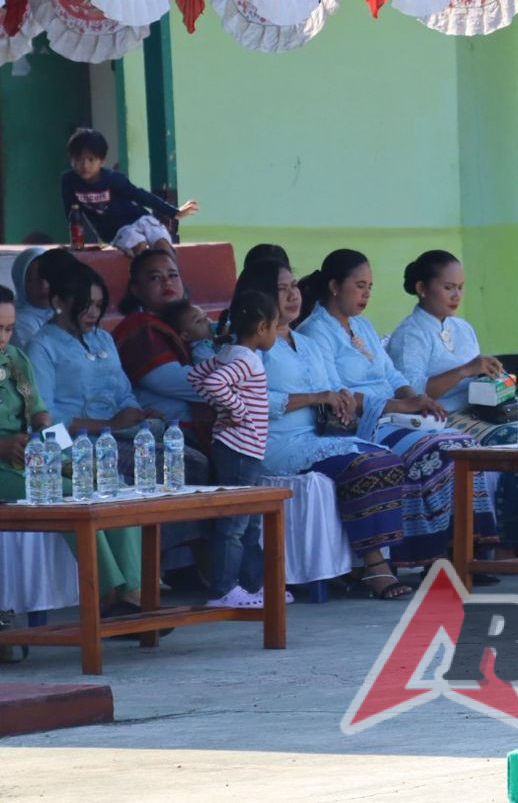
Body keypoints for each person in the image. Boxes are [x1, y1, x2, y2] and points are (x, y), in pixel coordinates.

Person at [297, 249, 496, 567]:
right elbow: (339, 394)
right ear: (335, 286)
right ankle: (430, 554)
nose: (366, 294)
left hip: (397, 415)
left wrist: (417, 398)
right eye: (360, 285)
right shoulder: (315, 332)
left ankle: (468, 550)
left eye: (370, 287)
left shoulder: (361, 327)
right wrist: (402, 403)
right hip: (366, 424)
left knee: (464, 446)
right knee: (435, 451)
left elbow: (392, 374)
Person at [244, 258, 416, 600]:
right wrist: (317, 396)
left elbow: (331, 388)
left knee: (389, 459)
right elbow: (256, 400)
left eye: (294, 286)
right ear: (263, 295)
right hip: (279, 444)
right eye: (282, 289)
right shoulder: (251, 346)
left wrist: (341, 400)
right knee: (367, 466)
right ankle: (374, 567)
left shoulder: (305, 342)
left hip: (319, 437)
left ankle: (360, 564)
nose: (293, 295)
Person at [386, 250, 518, 551]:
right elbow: (412, 392)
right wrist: (466, 369)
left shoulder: (462, 327)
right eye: (448, 287)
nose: (456, 295)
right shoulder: (411, 334)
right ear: (422, 288)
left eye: (460, 287)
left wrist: (494, 378)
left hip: (481, 411)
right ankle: (512, 542)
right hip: (446, 417)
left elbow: (475, 377)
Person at [0, 284, 146, 624]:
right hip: (4, 467)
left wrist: (55, 444)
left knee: (111, 487)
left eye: (8, 328)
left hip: (32, 457)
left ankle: (134, 592)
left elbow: (40, 411)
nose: (4, 337)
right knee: (69, 496)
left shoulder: (16, 359)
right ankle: (108, 596)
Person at [188, 289, 276, 610]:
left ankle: (253, 585)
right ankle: (224, 589)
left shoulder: (229, 353)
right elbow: (213, 384)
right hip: (241, 449)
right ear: (263, 326)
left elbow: (198, 376)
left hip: (241, 448)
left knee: (248, 521)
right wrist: (237, 411)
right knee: (236, 523)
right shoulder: (246, 359)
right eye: (276, 327)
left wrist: (224, 409)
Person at [25, 261, 156, 437]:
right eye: (85, 304)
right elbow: (43, 419)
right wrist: (108, 425)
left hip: (119, 435)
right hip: (74, 447)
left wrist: (139, 415)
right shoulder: (41, 347)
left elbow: (124, 395)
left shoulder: (103, 338)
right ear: (58, 302)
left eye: (99, 305)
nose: (93, 313)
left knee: (190, 457)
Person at [112, 249, 217, 455]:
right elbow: (179, 382)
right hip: (167, 436)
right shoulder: (138, 327)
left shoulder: (190, 323)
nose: (167, 283)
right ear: (136, 289)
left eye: (173, 275)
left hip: (195, 430)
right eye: (154, 277)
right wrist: (239, 385)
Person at [60, 127, 198, 256]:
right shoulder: (69, 181)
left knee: (163, 244)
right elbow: (72, 214)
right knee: (139, 245)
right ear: (71, 160)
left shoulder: (113, 178)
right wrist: (78, 244)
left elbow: (140, 195)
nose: (85, 165)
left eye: (91, 160)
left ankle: (176, 279)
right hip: (116, 232)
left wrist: (174, 212)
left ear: (102, 161)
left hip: (139, 218)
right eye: (78, 160)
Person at [9, 247, 80, 349]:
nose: (44, 285)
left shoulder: (60, 310)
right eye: (34, 280)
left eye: (48, 277)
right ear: (20, 283)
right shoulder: (20, 322)